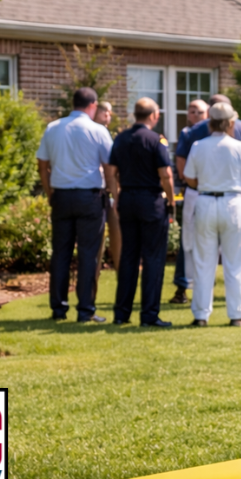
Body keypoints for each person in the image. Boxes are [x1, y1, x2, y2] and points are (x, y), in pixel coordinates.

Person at [37, 87, 113, 323]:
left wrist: (50, 192)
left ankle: (58, 308)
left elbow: (42, 165)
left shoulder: (53, 128)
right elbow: (110, 165)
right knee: (88, 254)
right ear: (92, 105)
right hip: (89, 197)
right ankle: (85, 310)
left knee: (60, 253)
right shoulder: (97, 130)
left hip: (61, 195)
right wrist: (112, 191)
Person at [182, 103, 241, 327]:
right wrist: (237, 186)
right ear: (231, 123)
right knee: (236, 260)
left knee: (203, 261)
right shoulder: (240, 147)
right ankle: (236, 315)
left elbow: (189, 177)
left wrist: (206, 185)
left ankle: (201, 315)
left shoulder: (198, 145)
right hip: (233, 202)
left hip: (205, 200)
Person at [104, 97, 175, 328]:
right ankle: (149, 315)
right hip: (151, 200)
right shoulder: (156, 140)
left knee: (128, 257)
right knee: (153, 258)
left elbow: (111, 171)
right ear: (153, 115)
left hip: (128, 201)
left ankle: (121, 313)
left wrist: (116, 196)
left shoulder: (121, 138)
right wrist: (171, 200)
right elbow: (165, 174)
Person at [170, 98, 209, 304]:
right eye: (192, 111)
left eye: (200, 112)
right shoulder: (187, 134)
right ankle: (182, 286)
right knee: (188, 241)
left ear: (208, 113)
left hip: (212, 193)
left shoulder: (212, 133)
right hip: (195, 191)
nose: (195, 115)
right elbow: (182, 166)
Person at [93, 101, 122, 286]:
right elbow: (110, 166)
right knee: (98, 245)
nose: (108, 117)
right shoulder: (96, 132)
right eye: (107, 112)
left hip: (106, 192)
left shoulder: (105, 133)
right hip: (99, 192)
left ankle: (124, 285)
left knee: (118, 240)